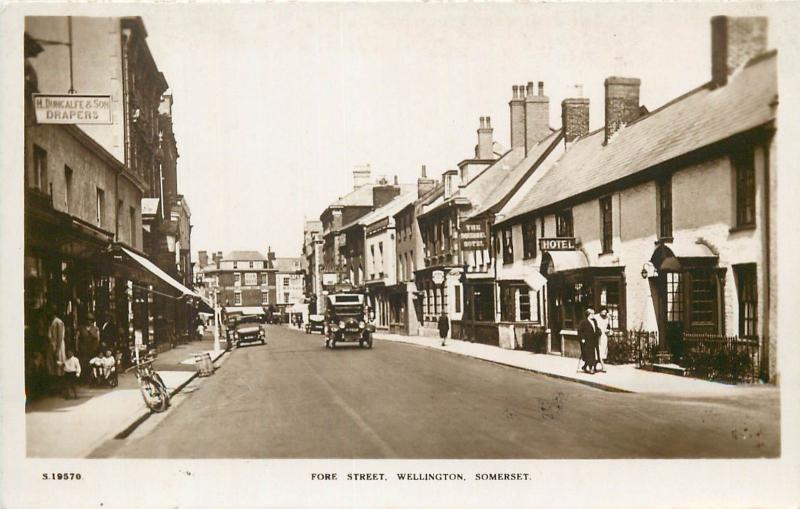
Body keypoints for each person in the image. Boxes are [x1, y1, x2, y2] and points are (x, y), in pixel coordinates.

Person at [576, 308, 599, 374]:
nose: (593, 315)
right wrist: (582, 338)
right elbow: (579, 331)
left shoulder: (594, 321)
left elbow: (596, 329)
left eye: (593, 313)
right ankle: (591, 368)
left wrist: (598, 332)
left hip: (594, 340)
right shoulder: (583, 322)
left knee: (594, 354)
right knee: (589, 354)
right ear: (588, 314)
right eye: (592, 314)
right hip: (587, 340)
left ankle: (585, 366)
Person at [47, 305, 67, 381]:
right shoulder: (51, 322)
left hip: (58, 345)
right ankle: (54, 380)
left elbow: (60, 337)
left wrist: (57, 349)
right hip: (52, 345)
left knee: (58, 362)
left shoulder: (59, 322)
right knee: (52, 364)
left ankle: (60, 381)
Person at [594, 307, 612, 372]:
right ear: (600, 311)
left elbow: (608, 327)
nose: (604, 313)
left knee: (603, 351)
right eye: (602, 312)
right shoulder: (596, 317)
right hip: (598, 336)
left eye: (605, 312)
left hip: (604, 336)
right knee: (599, 351)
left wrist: (608, 330)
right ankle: (603, 367)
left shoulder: (607, 318)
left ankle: (594, 366)